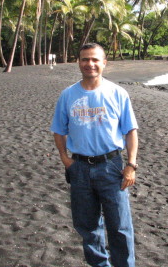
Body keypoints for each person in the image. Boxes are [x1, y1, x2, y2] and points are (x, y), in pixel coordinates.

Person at [51, 43, 139, 267]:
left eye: (95, 59)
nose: (89, 64)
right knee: (87, 226)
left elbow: (130, 131)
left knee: (119, 226)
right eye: (84, 59)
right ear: (78, 62)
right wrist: (65, 159)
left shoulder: (117, 93)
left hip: (111, 166)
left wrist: (131, 165)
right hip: (79, 168)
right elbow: (59, 130)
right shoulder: (68, 95)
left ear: (104, 63)